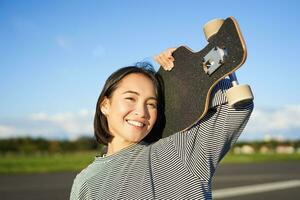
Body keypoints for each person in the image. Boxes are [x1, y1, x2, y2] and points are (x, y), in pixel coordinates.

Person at [70, 48, 254, 200]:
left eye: (151, 104)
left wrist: (185, 71)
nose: (141, 112)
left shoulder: (178, 151)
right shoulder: (85, 183)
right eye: (130, 98)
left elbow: (235, 105)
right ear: (105, 105)